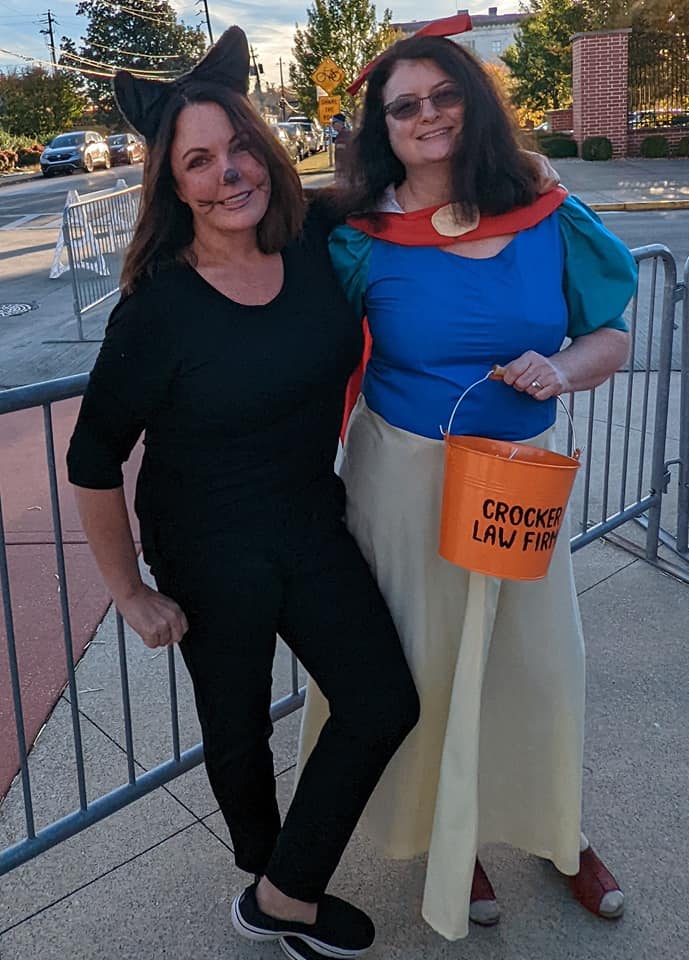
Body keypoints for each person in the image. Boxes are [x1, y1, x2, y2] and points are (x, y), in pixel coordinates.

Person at [66, 26, 420, 960]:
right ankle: (276, 886)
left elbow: (419, 191)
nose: (229, 174)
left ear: (263, 149)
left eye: (238, 149)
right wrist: (130, 592)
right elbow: (93, 458)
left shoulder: (315, 237)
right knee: (236, 732)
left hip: (309, 519)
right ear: (173, 185)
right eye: (199, 162)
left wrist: (523, 180)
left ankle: (280, 894)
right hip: (205, 546)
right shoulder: (157, 310)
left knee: (382, 700)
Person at [296, 22, 638, 943]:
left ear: (473, 101)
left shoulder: (543, 208)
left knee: (538, 669)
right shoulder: (359, 236)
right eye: (404, 106)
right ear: (383, 125)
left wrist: (563, 370)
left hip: (519, 484)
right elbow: (290, 343)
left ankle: (555, 833)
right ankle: (457, 841)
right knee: (429, 671)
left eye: (443, 95)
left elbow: (610, 332)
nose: (427, 116)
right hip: (400, 482)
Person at [331, 113, 352, 181]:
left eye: (333, 122)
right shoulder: (348, 133)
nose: (332, 125)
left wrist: (339, 172)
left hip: (345, 173)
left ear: (339, 123)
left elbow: (341, 156)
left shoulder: (342, 137)